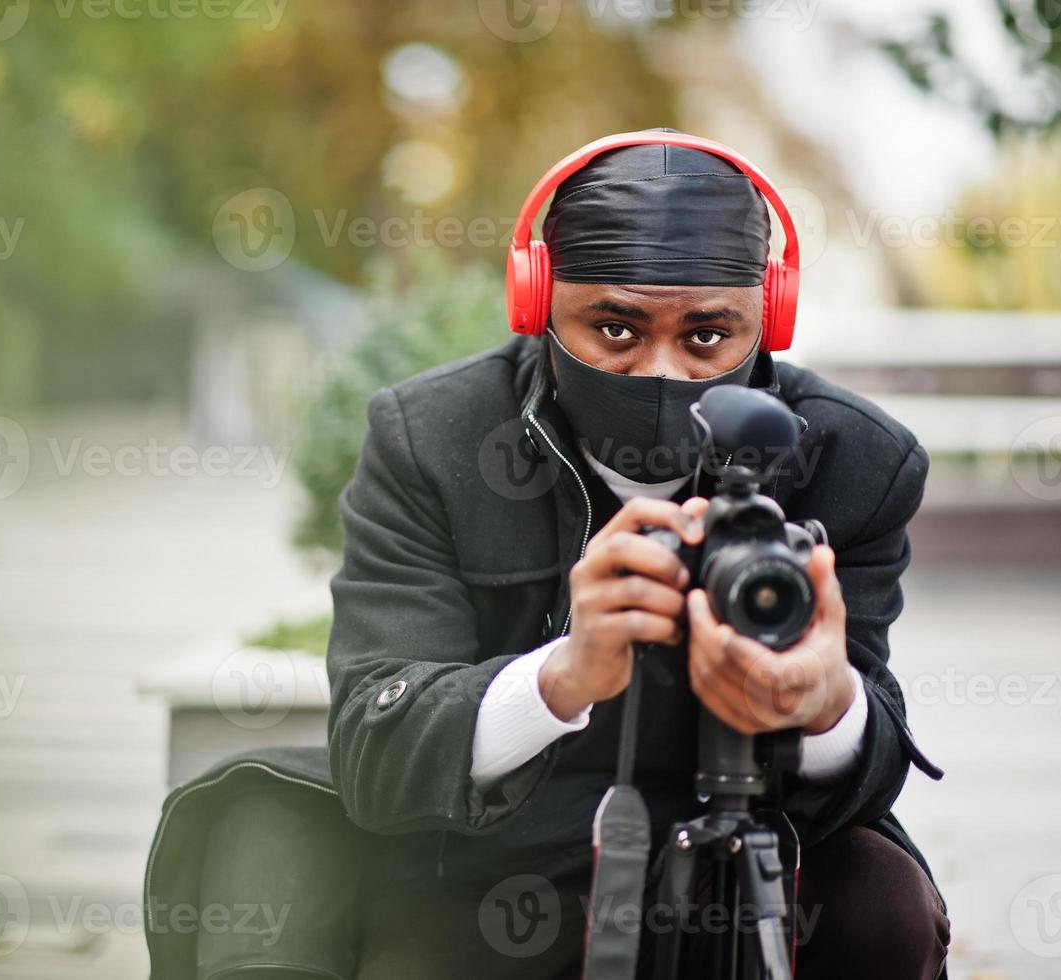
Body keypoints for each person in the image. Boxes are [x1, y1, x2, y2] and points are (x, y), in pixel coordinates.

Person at [143, 130, 950, 980]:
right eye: (613, 326)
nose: (660, 372)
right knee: (290, 848)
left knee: (880, 900)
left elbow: (867, 776)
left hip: (740, 840)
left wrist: (824, 705)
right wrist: (558, 676)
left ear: (769, 315)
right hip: (497, 853)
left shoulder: (853, 458)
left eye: (709, 336)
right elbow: (377, 750)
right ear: (535, 303)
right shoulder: (434, 439)